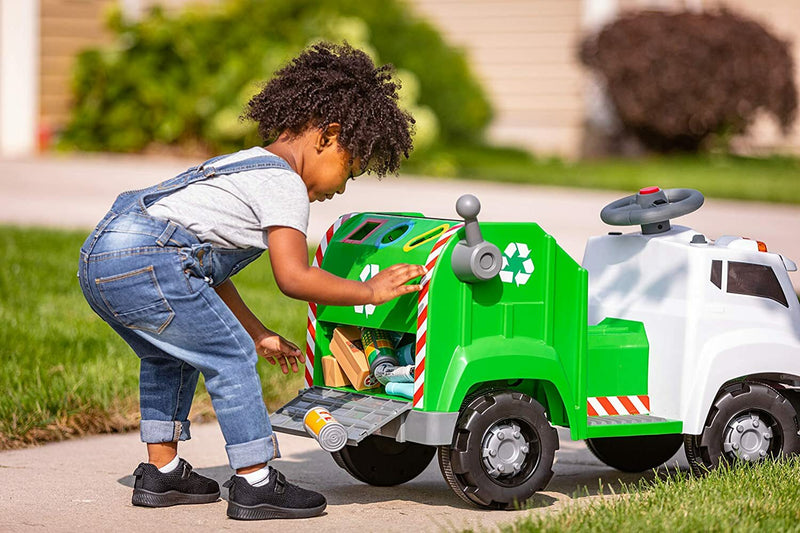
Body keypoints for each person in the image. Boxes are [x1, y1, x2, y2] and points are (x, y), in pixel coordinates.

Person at [77, 42, 423, 521]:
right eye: (350, 168)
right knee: (229, 356)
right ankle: (255, 481)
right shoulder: (283, 182)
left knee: (170, 353)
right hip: (150, 255)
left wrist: (257, 329)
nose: (342, 186)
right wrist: (370, 290)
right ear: (328, 136)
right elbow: (294, 278)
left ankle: (162, 472)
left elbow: (200, 269)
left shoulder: (243, 164)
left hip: (105, 255)